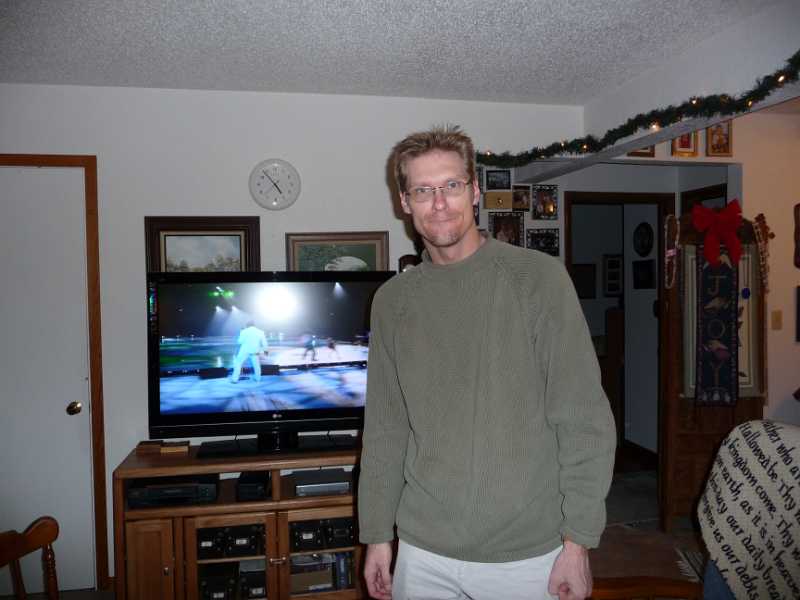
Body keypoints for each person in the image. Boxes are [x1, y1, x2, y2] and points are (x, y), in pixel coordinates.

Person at [358, 125, 616, 600]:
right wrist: (377, 536)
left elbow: (584, 419)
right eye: (423, 190)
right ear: (404, 202)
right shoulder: (392, 301)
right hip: (422, 551)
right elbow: (385, 428)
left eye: (452, 185)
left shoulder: (538, 279)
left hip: (527, 555)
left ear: (475, 191)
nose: (439, 203)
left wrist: (578, 541)